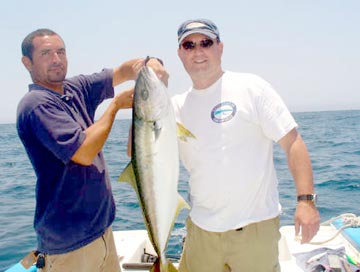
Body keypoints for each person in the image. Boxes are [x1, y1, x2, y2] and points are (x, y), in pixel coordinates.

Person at [172, 19, 320, 272]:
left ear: (220, 47)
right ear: (180, 54)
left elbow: (293, 142)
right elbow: (140, 155)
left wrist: (306, 202)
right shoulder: (174, 107)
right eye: (189, 45)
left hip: (254, 230)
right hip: (201, 232)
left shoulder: (251, 88)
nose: (198, 51)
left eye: (206, 43)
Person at [17, 28, 167, 272]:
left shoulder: (76, 88)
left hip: (102, 231)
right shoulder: (36, 105)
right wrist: (116, 105)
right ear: (27, 63)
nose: (56, 59)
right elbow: (84, 152)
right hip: (69, 246)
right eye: (46, 53)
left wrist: (150, 65)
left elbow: (122, 72)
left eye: (61, 51)